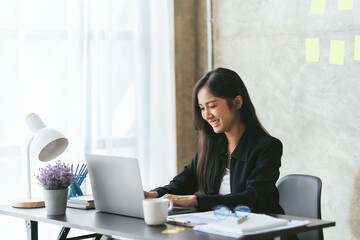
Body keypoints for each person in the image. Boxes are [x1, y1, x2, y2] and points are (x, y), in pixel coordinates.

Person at [144, 67, 284, 214]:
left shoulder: (268, 147)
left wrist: (196, 200)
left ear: (237, 102)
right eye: (202, 108)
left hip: (262, 231)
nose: (206, 115)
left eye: (212, 106)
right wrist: (153, 195)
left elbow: (253, 198)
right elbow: (182, 183)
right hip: (220, 228)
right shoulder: (212, 146)